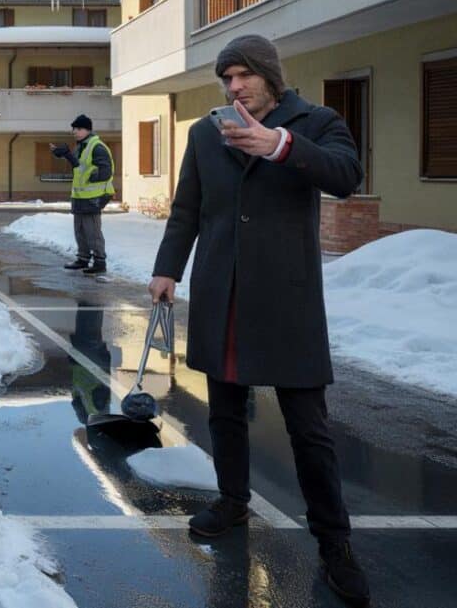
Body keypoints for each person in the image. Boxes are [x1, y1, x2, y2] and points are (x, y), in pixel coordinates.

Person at [148, 35, 368, 606]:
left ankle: (335, 542)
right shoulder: (204, 132)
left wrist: (280, 145)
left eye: (244, 75)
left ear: (270, 76)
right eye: (227, 78)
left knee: (309, 429)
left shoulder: (316, 122)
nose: (234, 86)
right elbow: (187, 208)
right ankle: (232, 500)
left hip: (286, 298)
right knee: (223, 410)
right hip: (224, 291)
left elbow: (347, 175)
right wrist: (167, 268)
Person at [50, 114, 114, 275]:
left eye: (78, 129)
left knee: (92, 231)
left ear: (88, 129)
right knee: (80, 230)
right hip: (80, 197)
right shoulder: (81, 146)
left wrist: (91, 177)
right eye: (74, 129)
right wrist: (66, 155)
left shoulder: (96, 146)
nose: (75, 132)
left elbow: (105, 171)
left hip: (94, 197)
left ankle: (100, 262)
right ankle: (83, 258)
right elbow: (78, 167)